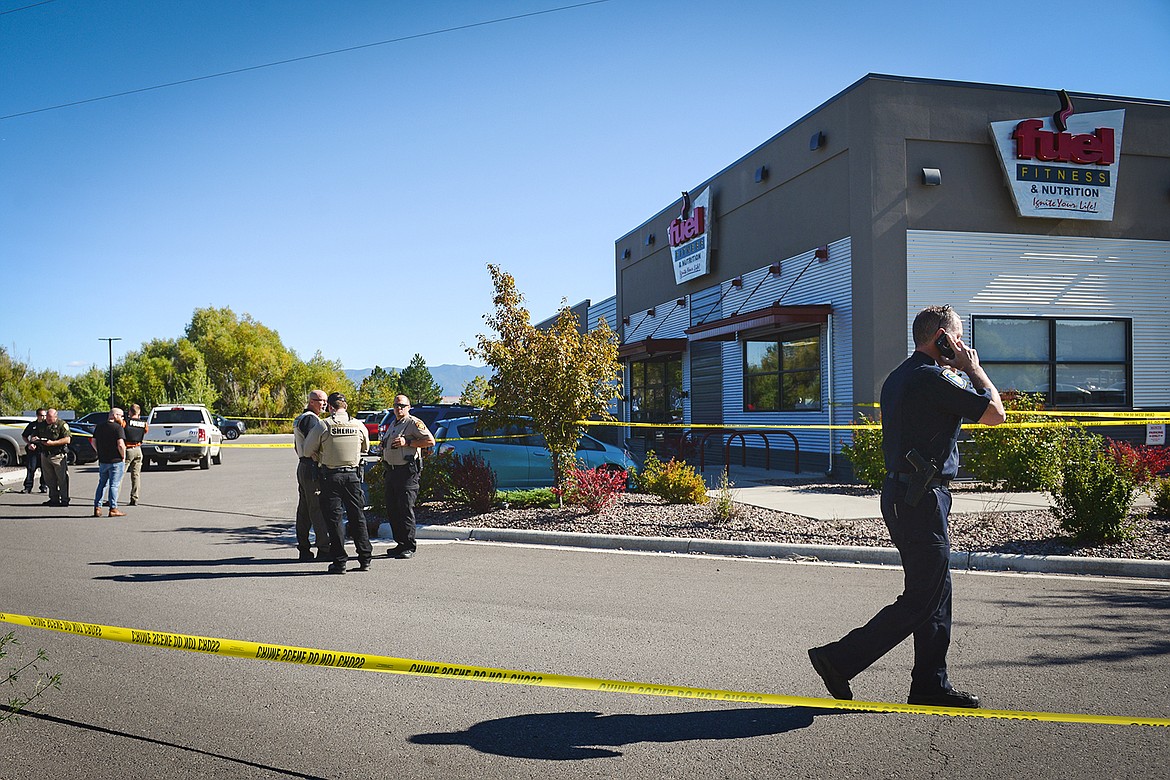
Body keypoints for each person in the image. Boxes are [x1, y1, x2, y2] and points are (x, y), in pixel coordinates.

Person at [808, 305, 1006, 709]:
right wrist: (974, 369)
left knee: (936, 592)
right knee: (922, 597)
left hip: (908, 495)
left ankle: (930, 684)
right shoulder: (931, 379)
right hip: (919, 499)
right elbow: (995, 414)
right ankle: (839, 659)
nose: (964, 345)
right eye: (959, 337)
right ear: (943, 339)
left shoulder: (903, 376)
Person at [303, 392, 371, 574]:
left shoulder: (323, 425)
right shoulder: (358, 425)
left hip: (331, 477)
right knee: (358, 518)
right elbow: (366, 447)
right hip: (353, 477)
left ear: (331, 407)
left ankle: (340, 562)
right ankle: (365, 558)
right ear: (345, 406)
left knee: (334, 520)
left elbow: (307, 449)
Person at [380, 394, 435, 560]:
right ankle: (400, 543)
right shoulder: (394, 423)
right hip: (391, 471)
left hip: (407, 472)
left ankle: (409, 545)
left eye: (402, 405)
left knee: (405, 509)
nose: (399, 408)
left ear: (409, 407)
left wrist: (408, 443)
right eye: (396, 405)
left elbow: (430, 441)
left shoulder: (413, 423)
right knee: (393, 509)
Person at [293, 390, 332, 562]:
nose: (324, 404)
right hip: (311, 468)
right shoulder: (311, 419)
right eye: (321, 401)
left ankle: (304, 548)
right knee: (317, 509)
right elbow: (312, 444)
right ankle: (323, 549)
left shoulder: (301, 417)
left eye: (325, 401)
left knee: (304, 510)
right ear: (311, 401)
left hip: (303, 466)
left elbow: (297, 445)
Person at [30, 408, 71, 507]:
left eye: (50, 417)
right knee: (49, 479)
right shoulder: (41, 425)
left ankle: (64, 499)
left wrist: (53, 443)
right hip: (45, 455)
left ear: (56, 417)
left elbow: (67, 439)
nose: (48, 419)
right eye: (47, 417)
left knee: (62, 479)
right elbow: (33, 436)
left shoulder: (62, 424)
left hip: (58, 455)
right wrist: (34, 441)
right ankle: (53, 499)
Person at [92, 408, 127, 517]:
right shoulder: (118, 428)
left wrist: (99, 451)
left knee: (102, 484)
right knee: (114, 485)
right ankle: (113, 508)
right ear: (115, 415)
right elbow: (120, 444)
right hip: (116, 460)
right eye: (121, 416)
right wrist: (123, 456)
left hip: (103, 460)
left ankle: (97, 507)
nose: (122, 418)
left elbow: (93, 441)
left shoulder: (99, 427)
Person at [121, 404, 148, 506]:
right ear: (139, 412)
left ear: (130, 412)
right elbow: (146, 431)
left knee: (120, 475)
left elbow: (121, 427)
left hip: (128, 449)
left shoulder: (126, 422)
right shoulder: (143, 423)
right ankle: (134, 498)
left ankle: (113, 499)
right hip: (138, 450)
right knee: (136, 476)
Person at [21, 408, 48, 494]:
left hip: (44, 450)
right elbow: (24, 436)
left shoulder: (47, 425)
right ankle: (28, 487)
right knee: (31, 469)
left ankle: (43, 486)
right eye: (42, 415)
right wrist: (29, 443)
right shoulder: (32, 425)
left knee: (44, 470)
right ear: (37, 416)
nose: (44, 417)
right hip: (33, 451)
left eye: (45, 415)